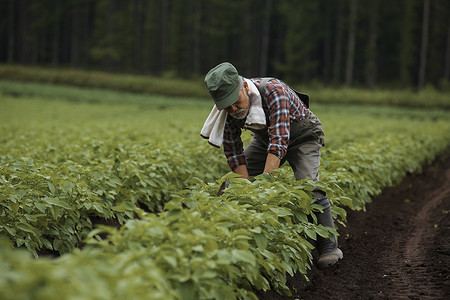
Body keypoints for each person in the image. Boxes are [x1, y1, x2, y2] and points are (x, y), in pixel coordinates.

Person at [202, 62, 343, 268]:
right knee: (231, 186)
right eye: (227, 106)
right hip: (265, 139)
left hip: (303, 135)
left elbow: (279, 142)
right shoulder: (228, 111)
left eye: (235, 101)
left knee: (307, 187)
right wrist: (246, 190)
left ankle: (329, 247)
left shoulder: (272, 91)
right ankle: (226, 239)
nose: (233, 109)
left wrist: (266, 189)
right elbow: (234, 152)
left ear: (245, 88)